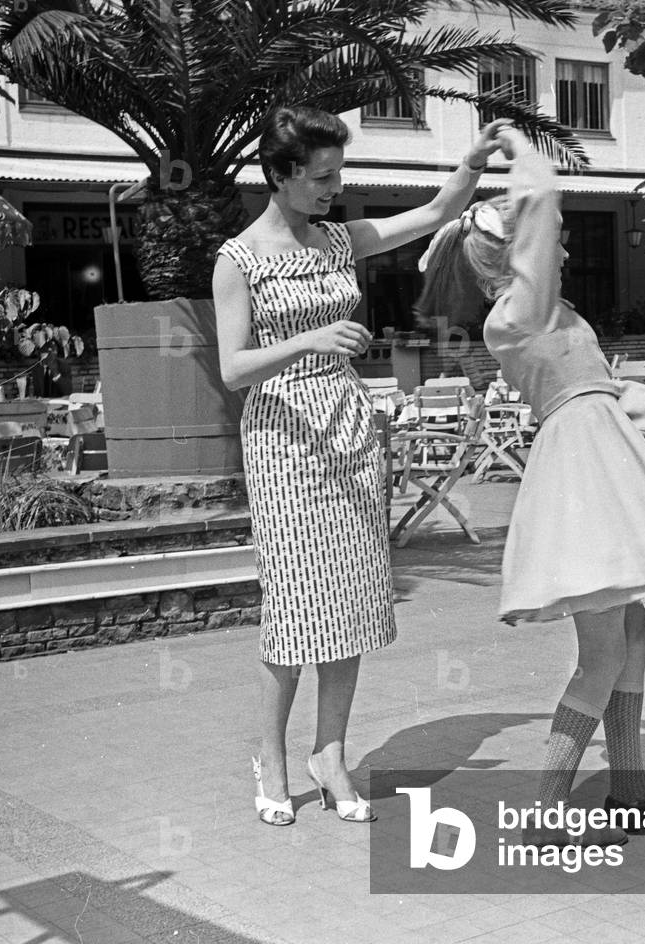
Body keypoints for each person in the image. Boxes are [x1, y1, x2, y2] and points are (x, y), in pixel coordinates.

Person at [415, 127, 645, 846]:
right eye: (547, 242)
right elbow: (544, 221)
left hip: (602, 459)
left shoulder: (551, 313)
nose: (560, 248)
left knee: (634, 629)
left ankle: (629, 788)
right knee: (603, 653)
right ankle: (546, 812)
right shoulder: (515, 315)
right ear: (514, 254)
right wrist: (520, 157)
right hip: (583, 477)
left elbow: (611, 389)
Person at [213, 106, 513, 826]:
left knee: (349, 599)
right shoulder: (238, 260)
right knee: (293, 607)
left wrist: (472, 163)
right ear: (282, 175)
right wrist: (312, 338)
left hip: (349, 427)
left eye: (338, 174)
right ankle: (271, 755)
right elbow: (232, 368)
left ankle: (331, 754)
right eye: (321, 177)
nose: (333, 188)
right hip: (283, 437)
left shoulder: (341, 239)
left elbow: (440, 210)